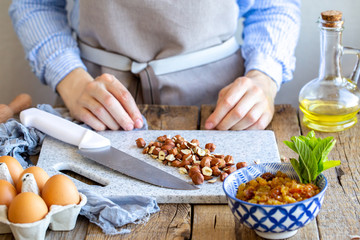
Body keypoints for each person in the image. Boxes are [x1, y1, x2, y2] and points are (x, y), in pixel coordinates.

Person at [9, 0, 301, 131]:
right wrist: (70, 80)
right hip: (95, 104)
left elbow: (273, 6)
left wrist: (264, 78)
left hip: (224, 110)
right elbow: (35, 3)